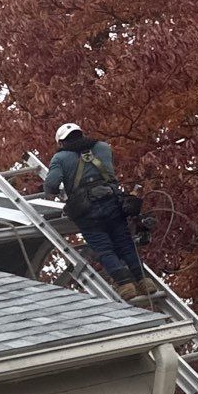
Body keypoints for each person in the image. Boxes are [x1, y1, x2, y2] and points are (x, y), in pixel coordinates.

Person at [40, 124, 150, 305]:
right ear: (81, 134)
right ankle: (145, 282)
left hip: (87, 210)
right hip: (113, 202)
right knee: (125, 243)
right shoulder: (103, 148)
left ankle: (125, 285)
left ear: (61, 142)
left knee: (104, 248)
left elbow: (51, 186)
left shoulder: (60, 158)